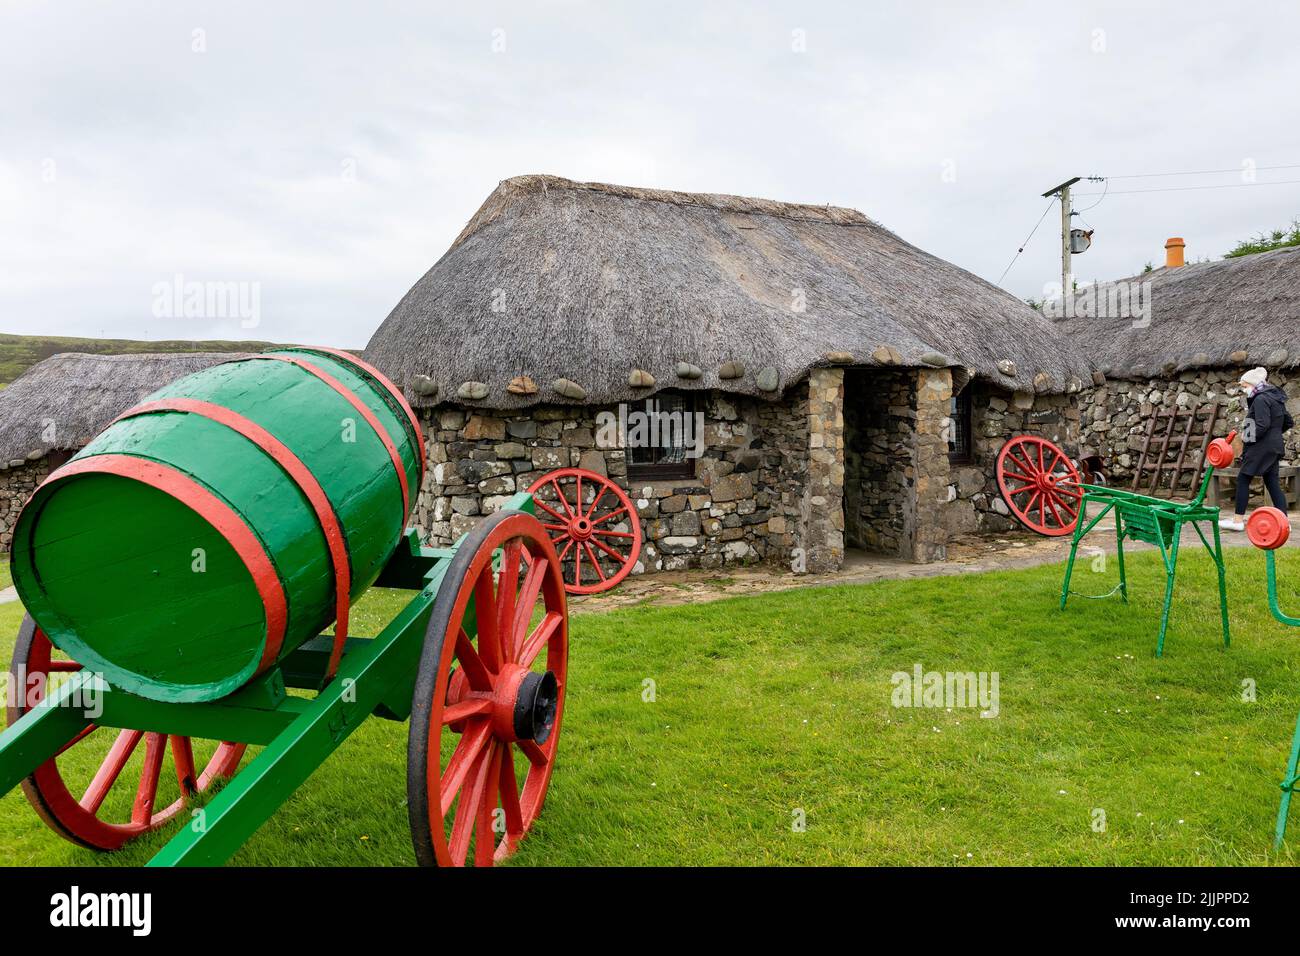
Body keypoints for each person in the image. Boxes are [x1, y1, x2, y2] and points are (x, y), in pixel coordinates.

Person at [1220, 367, 1293, 531]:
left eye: (1244, 385)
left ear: (1252, 384)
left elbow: (1262, 425)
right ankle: (1284, 523)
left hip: (1260, 447)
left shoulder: (1260, 399)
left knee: (1243, 479)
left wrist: (1247, 437)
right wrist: (1274, 434)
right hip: (1274, 446)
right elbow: (1288, 422)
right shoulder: (1276, 398)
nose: (1243, 389)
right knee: (1272, 482)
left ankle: (1238, 521)